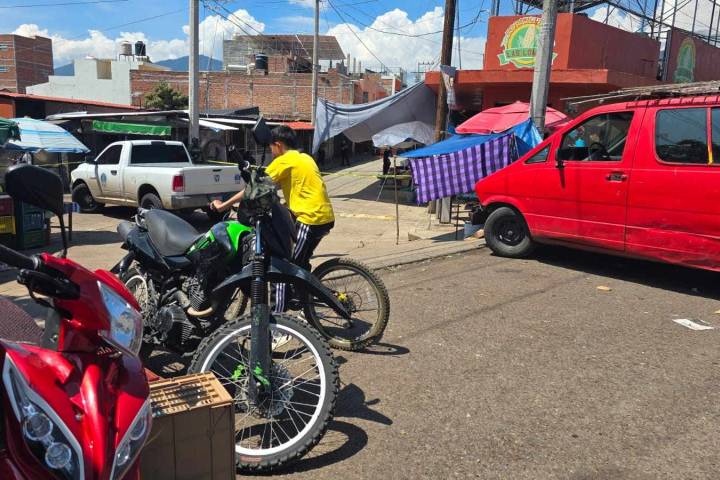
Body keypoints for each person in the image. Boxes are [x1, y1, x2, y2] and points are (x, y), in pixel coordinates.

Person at [210, 125, 335, 313]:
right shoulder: (304, 157)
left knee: (284, 268)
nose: (271, 151)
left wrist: (223, 205)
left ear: (278, 145)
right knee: (300, 262)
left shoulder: (284, 160)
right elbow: (291, 188)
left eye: (271, 147)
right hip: (324, 216)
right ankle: (303, 300)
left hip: (310, 218)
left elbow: (254, 189)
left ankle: (279, 318)